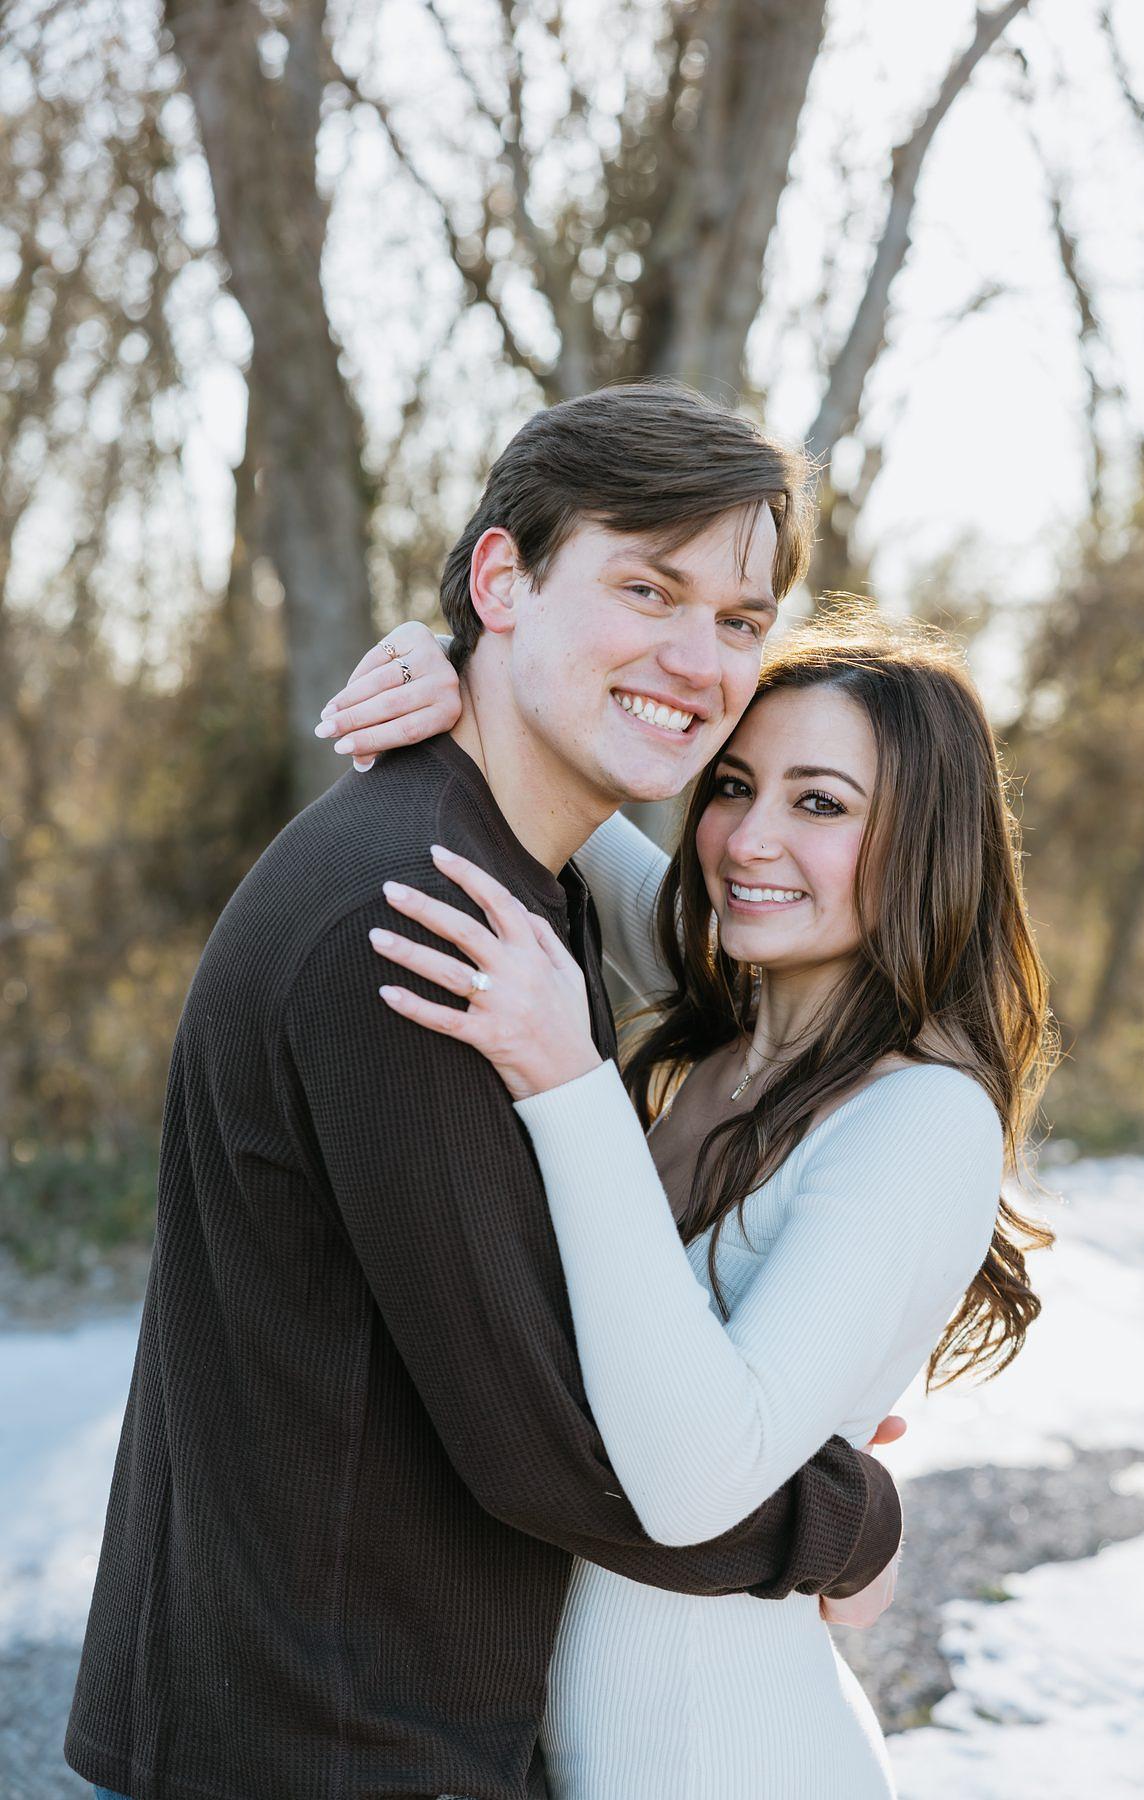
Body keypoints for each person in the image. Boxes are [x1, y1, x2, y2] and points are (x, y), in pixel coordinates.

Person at [65, 382, 905, 1800]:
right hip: (318, 1753)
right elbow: (546, 1437)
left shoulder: (509, 875)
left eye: (739, 619)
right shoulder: (419, 922)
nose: (697, 660)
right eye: (649, 587)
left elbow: (765, 999)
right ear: (503, 579)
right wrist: (846, 1520)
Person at [328, 609, 1057, 1798]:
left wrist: (567, 1081)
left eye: (820, 803)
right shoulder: (735, 1023)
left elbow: (691, 1484)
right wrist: (451, 670)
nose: (748, 840)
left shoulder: (922, 1121)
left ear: (930, 842)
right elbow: (562, 803)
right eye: (732, 786)